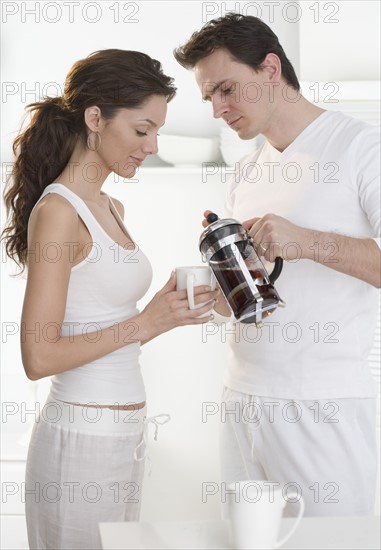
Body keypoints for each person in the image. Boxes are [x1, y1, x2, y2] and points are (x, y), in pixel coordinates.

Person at [1, 49, 219, 550]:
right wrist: (145, 324)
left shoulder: (110, 205)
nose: (152, 145)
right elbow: (38, 357)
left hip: (125, 436)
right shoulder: (58, 212)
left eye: (157, 132)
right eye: (142, 130)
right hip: (79, 442)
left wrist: (165, 310)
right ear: (94, 118)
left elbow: (107, 317)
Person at [174, 14, 381, 517]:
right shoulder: (246, 170)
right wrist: (222, 290)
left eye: (226, 89)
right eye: (209, 98)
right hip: (241, 399)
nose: (219, 109)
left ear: (270, 69)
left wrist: (308, 242)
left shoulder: (361, 148)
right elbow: (259, 294)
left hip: (321, 406)